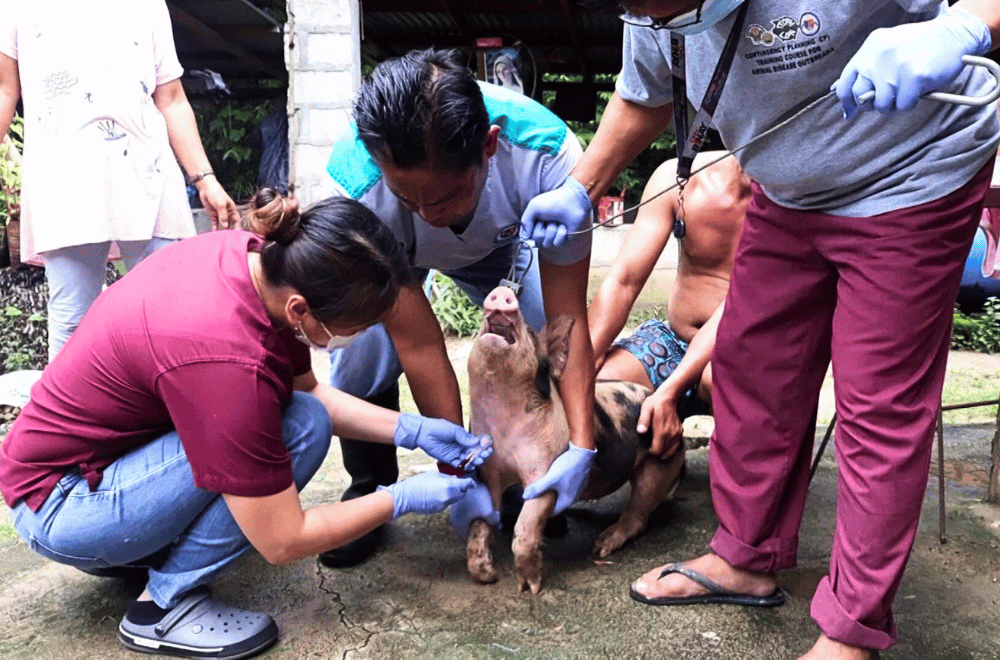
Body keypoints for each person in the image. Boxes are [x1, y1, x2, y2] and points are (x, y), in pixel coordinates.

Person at [521, 1, 1000, 658]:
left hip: (910, 177)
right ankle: (746, 556)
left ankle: (851, 631)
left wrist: (963, 26)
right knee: (753, 368)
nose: (651, 22)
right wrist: (583, 183)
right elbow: (645, 92)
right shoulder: (649, 13)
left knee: (877, 404)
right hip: (787, 187)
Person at [0, 189, 491, 659]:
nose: (359, 335)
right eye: (357, 327)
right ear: (301, 309)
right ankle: (161, 607)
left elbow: (309, 392)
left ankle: (153, 546)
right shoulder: (229, 362)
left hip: (99, 465)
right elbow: (284, 540)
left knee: (305, 419)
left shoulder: (258, 260)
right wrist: (400, 498)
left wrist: (413, 430)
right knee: (296, 436)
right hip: (62, 505)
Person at [321, 48, 595, 567]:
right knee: (361, 345)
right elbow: (421, 343)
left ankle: (531, 473)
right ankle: (368, 482)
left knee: (544, 345)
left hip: (506, 251)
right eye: (410, 199)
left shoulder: (549, 154)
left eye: (444, 197)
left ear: (489, 146)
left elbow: (569, 318)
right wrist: (458, 466)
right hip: (396, 259)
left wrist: (583, 443)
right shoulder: (353, 188)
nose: (428, 213)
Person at [0, 0, 241, 361]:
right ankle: (70, 417)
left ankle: (167, 416)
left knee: (171, 316)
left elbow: (171, 98)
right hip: (64, 182)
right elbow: (5, 90)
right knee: (72, 330)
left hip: (148, 174)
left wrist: (205, 179)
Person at [589, 151, 748, 455]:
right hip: (673, 341)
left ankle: (748, 472)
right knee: (594, 390)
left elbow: (739, 305)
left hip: (746, 350)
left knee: (715, 379)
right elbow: (624, 279)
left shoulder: (796, 200)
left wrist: (672, 388)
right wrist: (584, 362)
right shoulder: (681, 177)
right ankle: (666, 462)